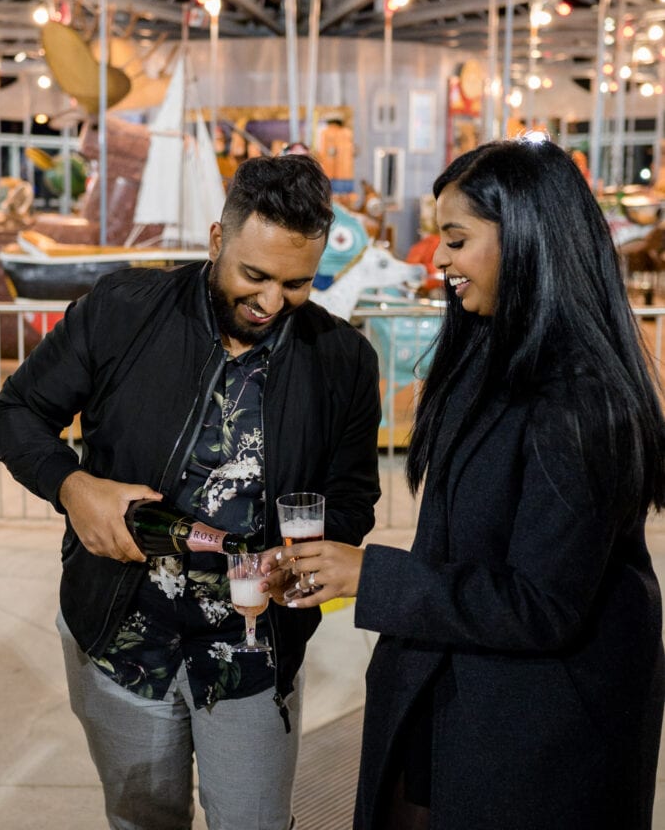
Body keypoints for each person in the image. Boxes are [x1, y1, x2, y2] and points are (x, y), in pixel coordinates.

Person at [265, 136, 665, 829]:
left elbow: (542, 603)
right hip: (457, 686)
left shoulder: (580, 400)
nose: (438, 259)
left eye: (455, 238)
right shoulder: (488, 354)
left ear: (529, 239)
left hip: (539, 723)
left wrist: (370, 575)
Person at [0, 154, 381, 830]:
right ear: (216, 239)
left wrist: (311, 556)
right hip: (120, 635)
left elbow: (350, 498)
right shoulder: (121, 310)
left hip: (253, 648)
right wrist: (72, 486)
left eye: (296, 284)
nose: (269, 302)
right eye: (253, 276)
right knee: (142, 819)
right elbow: (13, 415)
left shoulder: (342, 359)